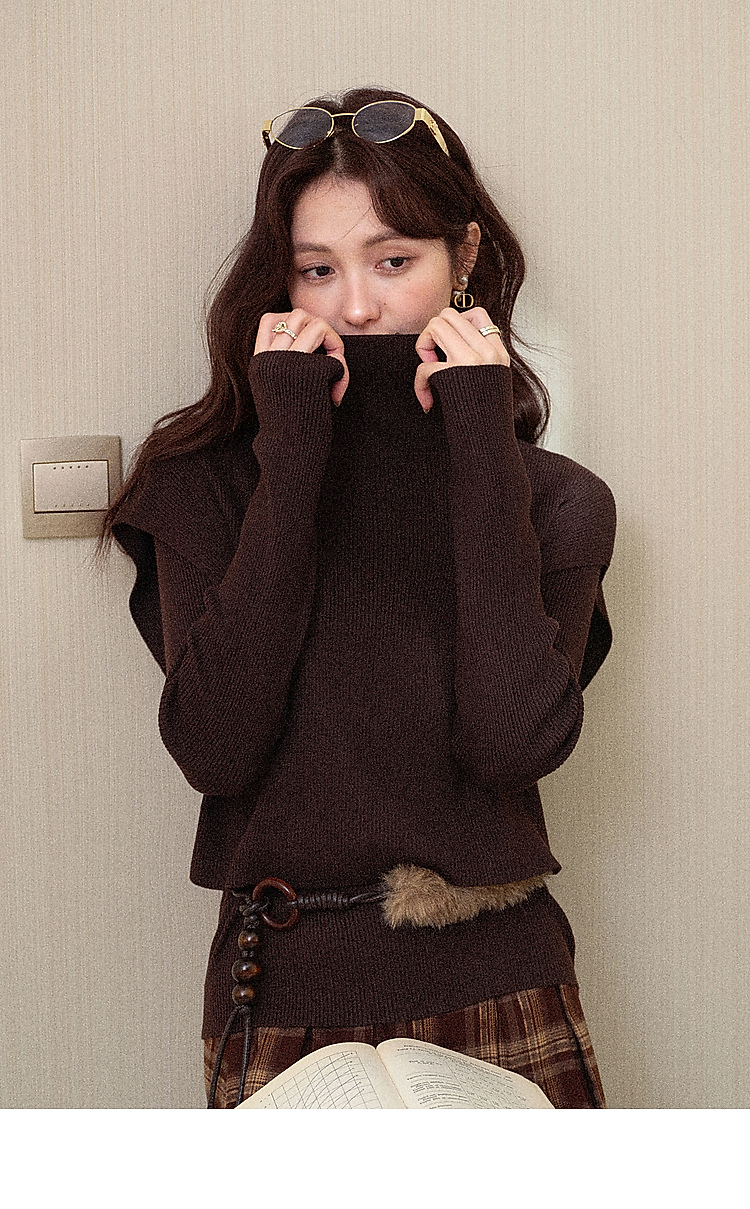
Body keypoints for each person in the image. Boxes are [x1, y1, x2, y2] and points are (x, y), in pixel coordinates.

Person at [104, 87, 616, 1108]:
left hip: (503, 983)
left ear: (464, 256)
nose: (357, 308)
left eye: (393, 261)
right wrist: (293, 462)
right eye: (316, 270)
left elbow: (511, 742)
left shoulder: (556, 502)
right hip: (282, 990)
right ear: (277, 280)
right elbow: (216, 747)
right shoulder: (202, 488)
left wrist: (482, 450)